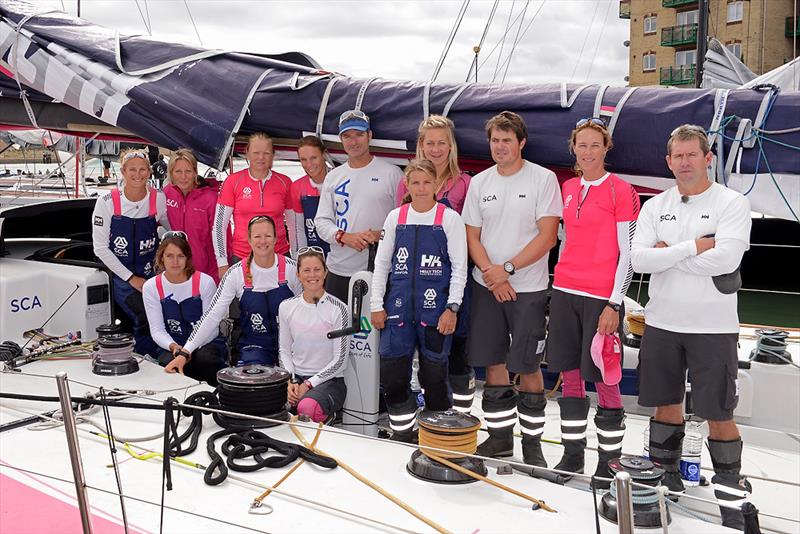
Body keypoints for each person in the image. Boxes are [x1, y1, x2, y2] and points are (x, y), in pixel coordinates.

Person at [631, 124, 752, 529]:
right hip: (662, 322)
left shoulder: (731, 203)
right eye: (677, 156)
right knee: (666, 405)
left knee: (719, 412)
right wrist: (694, 247)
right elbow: (640, 261)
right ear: (668, 161)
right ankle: (665, 484)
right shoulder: (655, 206)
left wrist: (668, 256)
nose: (684, 163)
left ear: (707, 158)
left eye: (691, 155)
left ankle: (731, 503)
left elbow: (726, 261)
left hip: (713, 327)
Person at [462, 111, 561, 466]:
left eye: (507, 140)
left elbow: (548, 236)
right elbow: (471, 235)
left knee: (529, 365)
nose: (500, 147)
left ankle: (532, 446)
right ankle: (500, 438)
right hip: (486, 286)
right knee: (494, 363)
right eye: (495, 140)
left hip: (528, 289)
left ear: (521, 142)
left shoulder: (543, 179)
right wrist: (491, 274)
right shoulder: (480, 183)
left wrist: (506, 270)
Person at [546, 118, 640, 485]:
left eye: (594, 145)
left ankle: (609, 463)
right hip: (566, 291)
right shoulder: (568, 187)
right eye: (581, 145)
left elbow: (627, 254)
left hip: (601, 297)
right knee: (569, 376)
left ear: (606, 148)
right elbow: (566, 241)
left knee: (605, 378)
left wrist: (613, 303)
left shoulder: (621, 190)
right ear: (574, 148)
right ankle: (571, 457)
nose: (587, 151)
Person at [371, 159, 468, 442]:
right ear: (408, 185)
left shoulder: (448, 218)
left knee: (435, 379)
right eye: (415, 182)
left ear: (437, 185)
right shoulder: (396, 217)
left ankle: (438, 437)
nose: (421, 188)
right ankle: (402, 434)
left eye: (427, 182)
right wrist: (377, 305)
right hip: (397, 313)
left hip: (436, 314)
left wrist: (452, 308)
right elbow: (382, 265)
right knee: (393, 378)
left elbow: (460, 268)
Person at [397, 115, 476, 413]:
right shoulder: (406, 185)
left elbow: (470, 233)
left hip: (453, 279)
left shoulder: (465, 184)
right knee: (422, 348)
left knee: (457, 347)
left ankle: (462, 415)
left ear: (451, 145)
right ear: (421, 145)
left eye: (442, 142)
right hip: (416, 282)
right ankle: (429, 407)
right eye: (430, 143)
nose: (436, 148)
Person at [183, 216, 302, 366]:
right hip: (255, 347)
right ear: (249, 239)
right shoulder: (236, 273)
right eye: (257, 236)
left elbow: (307, 311)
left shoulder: (293, 270)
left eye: (268, 236)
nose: (263, 241)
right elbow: (213, 315)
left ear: (276, 238)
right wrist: (186, 350)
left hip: (292, 345)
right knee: (251, 382)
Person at [315, 110, 405, 302]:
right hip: (339, 270)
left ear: (369, 136)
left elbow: (404, 223)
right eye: (347, 136)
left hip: (380, 270)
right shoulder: (333, 177)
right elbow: (322, 222)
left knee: (374, 331)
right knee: (340, 329)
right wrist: (344, 237)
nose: (353, 141)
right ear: (341, 139)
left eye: (359, 134)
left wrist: (378, 235)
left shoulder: (392, 174)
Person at [92, 149, 170, 358]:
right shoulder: (107, 202)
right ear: (123, 172)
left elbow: (172, 233)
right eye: (132, 169)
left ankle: (166, 357)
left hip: (152, 274)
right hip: (123, 277)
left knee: (166, 313)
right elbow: (99, 248)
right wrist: (130, 278)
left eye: (143, 169)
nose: (138, 174)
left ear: (150, 172)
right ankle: (146, 359)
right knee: (143, 316)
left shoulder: (158, 199)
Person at [143, 232, 225, 384]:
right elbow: (157, 330)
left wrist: (187, 351)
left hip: (205, 343)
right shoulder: (151, 287)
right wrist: (174, 347)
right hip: (173, 344)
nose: (175, 262)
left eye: (180, 256)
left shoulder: (205, 282)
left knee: (206, 360)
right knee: (167, 364)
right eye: (169, 256)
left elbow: (212, 328)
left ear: (187, 257)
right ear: (161, 257)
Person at [278, 247, 349, 423]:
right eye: (306, 270)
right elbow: (284, 350)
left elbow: (340, 361)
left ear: (325, 272)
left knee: (307, 408)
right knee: (265, 401)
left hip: (329, 381)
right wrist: (290, 381)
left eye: (317, 269)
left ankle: (327, 415)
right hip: (296, 378)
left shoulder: (339, 309)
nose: (312, 275)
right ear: (298, 274)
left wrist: (309, 384)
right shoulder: (286, 307)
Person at [214, 132, 295, 281]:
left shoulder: (285, 182)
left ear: (273, 155)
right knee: (243, 304)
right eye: (256, 153)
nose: (261, 157)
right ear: (247, 153)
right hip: (242, 258)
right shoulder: (232, 182)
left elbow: (293, 225)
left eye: (266, 153)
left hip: (279, 256)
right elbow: (219, 225)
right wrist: (222, 263)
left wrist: (295, 257)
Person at [163, 148, 229, 283]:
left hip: (207, 271)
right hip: (176, 269)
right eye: (178, 172)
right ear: (171, 173)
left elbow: (224, 235)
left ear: (195, 172)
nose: (183, 177)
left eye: (188, 171)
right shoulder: (166, 194)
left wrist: (222, 266)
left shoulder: (210, 198)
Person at [289, 136, 330, 257]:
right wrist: (299, 258)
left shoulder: (339, 180)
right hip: (313, 254)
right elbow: (299, 228)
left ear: (323, 154)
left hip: (338, 254)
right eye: (303, 159)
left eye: (313, 158)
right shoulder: (297, 187)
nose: (309, 164)